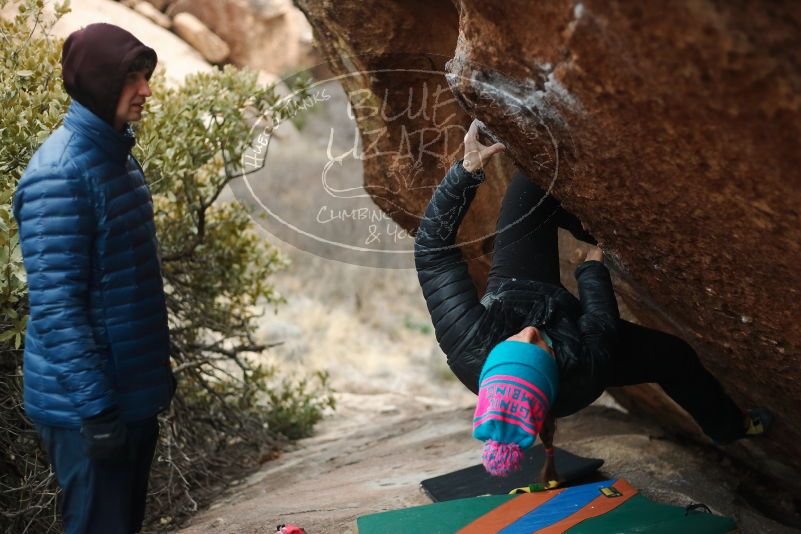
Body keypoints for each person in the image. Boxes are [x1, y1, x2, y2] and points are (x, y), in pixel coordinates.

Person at [415, 119, 771, 480]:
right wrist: (594, 265)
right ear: (554, 368)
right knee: (674, 357)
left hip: (519, 290)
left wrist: (465, 173)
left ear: (493, 355)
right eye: (537, 345)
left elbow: (432, 251)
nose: (528, 332)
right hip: (576, 329)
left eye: (513, 341)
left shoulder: (466, 336)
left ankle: (585, 220)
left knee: (530, 187)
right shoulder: (583, 375)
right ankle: (728, 426)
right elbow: (600, 323)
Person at [13, 24, 174, 533]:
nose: (146, 89)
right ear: (102, 82)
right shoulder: (57, 175)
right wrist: (99, 412)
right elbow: (57, 310)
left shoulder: (117, 158)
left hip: (128, 398)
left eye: (145, 76)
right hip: (88, 409)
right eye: (133, 77)